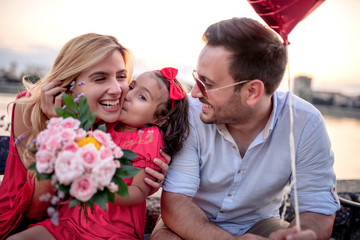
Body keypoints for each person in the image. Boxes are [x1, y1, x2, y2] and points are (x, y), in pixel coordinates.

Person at [151, 17, 340, 240]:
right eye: (196, 79)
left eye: (207, 84)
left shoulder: (306, 123)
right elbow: (176, 202)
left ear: (252, 92)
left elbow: (317, 207)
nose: (195, 93)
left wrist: (301, 235)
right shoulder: (191, 113)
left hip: (260, 223)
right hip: (190, 219)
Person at [0, 33, 170, 240]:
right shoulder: (30, 109)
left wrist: (151, 177)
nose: (118, 90)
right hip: (21, 222)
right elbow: (35, 210)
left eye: (121, 76)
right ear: (69, 83)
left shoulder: (115, 119)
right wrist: (59, 128)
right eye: (100, 78)